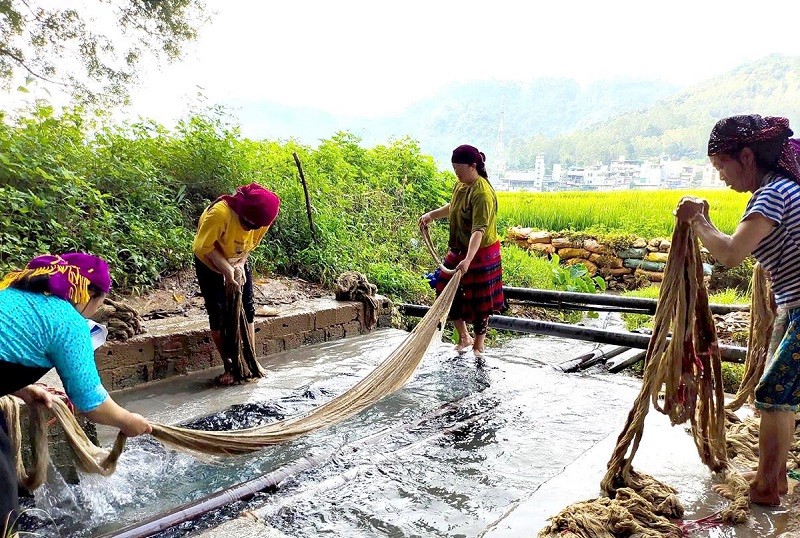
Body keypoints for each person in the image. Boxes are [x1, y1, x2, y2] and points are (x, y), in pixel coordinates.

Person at [675, 114, 800, 506]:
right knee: (782, 391)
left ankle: (766, 487)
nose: (722, 178)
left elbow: (730, 253)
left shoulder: (773, 194)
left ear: (746, 157)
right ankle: (774, 477)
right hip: (793, 304)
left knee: (775, 392)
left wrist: (696, 220)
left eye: (721, 167)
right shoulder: (780, 190)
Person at [0, 253, 152, 523]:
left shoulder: (12, 295)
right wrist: (129, 422)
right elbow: (90, 402)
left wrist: (21, 389)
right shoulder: (68, 322)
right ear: (89, 294)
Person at [419, 144, 505, 356]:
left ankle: (479, 344)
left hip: (481, 252)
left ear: (472, 166)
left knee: (479, 301)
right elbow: (453, 206)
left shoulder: (482, 193)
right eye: (454, 168)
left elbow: (479, 230)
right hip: (458, 247)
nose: (456, 172)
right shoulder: (461, 185)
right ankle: (464, 337)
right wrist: (432, 215)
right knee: (443, 288)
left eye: (459, 168)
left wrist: (467, 260)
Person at [193, 182, 280, 385]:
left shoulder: (263, 218)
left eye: (254, 226)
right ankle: (230, 367)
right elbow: (203, 247)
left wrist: (239, 265)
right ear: (240, 210)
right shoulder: (219, 214)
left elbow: (250, 245)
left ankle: (250, 361)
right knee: (219, 312)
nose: (249, 228)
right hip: (209, 258)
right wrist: (226, 270)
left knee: (247, 309)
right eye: (246, 223)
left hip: (237, 260)